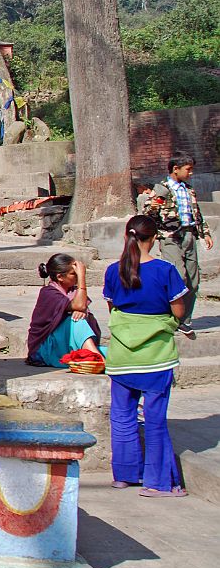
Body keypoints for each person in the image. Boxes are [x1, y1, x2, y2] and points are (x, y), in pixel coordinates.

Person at [102, 214, 189, 498]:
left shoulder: (114, 271)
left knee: (122, 416)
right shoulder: (166, 270)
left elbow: (113, 308)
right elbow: (178, 311)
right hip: (156, 355)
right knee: (154, 418)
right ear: (152, 238)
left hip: (122, 355)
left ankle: (124, 475)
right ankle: (158, 482)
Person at [143, 153, 213, 337]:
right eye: (188, 169)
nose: (190, 173)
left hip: (189, 235)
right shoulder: (162, 189)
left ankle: (184, 320)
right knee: (178, 276)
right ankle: (169, 315)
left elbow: (196, 213)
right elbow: (148, 211)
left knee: (193, 280)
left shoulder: (188, 189)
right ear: (176, 169)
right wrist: (156, 200)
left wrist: (205, 233)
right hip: (171, 237)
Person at [26, 253, 102, 367]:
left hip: (66, 343)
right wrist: (82, 277)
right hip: (44, 348)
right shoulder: (48, 293)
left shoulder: (74, 292)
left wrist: (82, 312)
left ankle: (94, 356)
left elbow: (81, 308)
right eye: (73, 274)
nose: (76, 276)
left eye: (77, 274)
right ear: (60, 277)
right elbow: (80, 305)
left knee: (108, 352)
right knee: (77, 320)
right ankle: (97, 358)